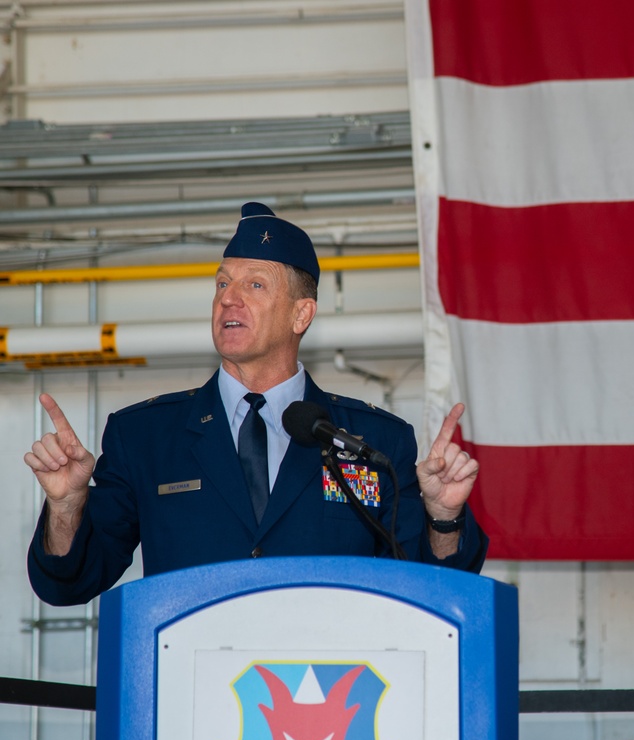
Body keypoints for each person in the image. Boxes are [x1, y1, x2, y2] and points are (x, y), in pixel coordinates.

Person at [24, 202, 487, 606]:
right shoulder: (145, 436)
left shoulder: (375, 441)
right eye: (222, 284)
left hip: (326, 695)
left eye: (255, 286)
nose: (229, 298)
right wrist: (66, 507)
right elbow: (69, 584)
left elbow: (431, 593)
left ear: (300, 314)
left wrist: (443, 520)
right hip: (189, 693)